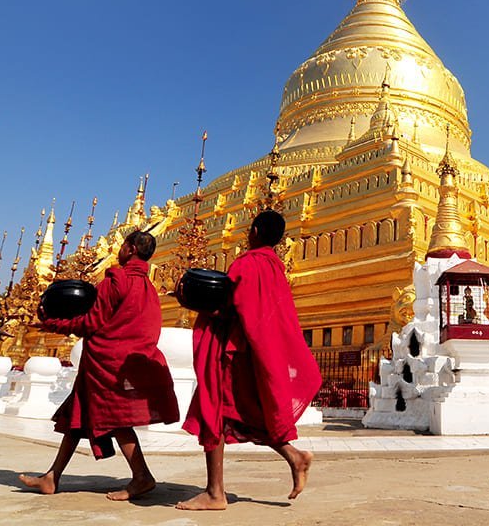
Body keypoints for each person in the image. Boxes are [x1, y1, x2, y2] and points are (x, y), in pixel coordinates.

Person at [177, 210, 321, 510]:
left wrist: (192, 301)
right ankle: (294, 456)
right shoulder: (275, 268)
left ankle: (215, 493)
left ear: (254, 230)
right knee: (243, 414)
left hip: (232, 353)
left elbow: (231, 309)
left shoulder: (247, 264)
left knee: (213, 412)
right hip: (254, 353)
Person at [19, 231, 179, 500]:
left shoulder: (115, 281)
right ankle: (51, 477)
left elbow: (90, 323)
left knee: (115, 419)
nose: (119, 249)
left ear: (129, 249)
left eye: (122, 245)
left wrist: (52, 324)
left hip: (107, 363)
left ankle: (142, 476)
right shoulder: (150, 290)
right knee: (76, 418)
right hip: (127, 360)